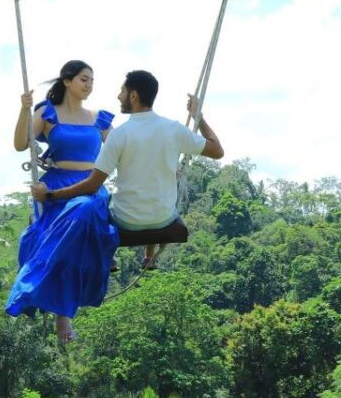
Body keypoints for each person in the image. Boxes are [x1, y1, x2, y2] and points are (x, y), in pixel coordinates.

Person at [30, 69, 224, 271]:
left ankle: (108, 256)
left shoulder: (120, 135)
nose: (118, 96)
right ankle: (149, 256)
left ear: (134, 96)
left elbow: (91, 185)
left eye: (122, 92)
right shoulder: (174, 129)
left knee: (99, 203)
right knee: (153, 187)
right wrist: (198, 118)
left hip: (127, 220)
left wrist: (50, 195)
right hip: (163, 217)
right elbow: (217, 150)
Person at [6, 60, 119, 342]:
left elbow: (123, 150)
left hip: (90, 187)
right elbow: (21, 144)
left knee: (82, 210)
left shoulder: (99, 118)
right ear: (67, 81)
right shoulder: (47, 112)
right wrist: (23, 108)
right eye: (84, 79)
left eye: (92, 80)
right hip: (55, 187)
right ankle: (62, 313)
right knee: (58, 231)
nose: (89, 84)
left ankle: (63, 312)